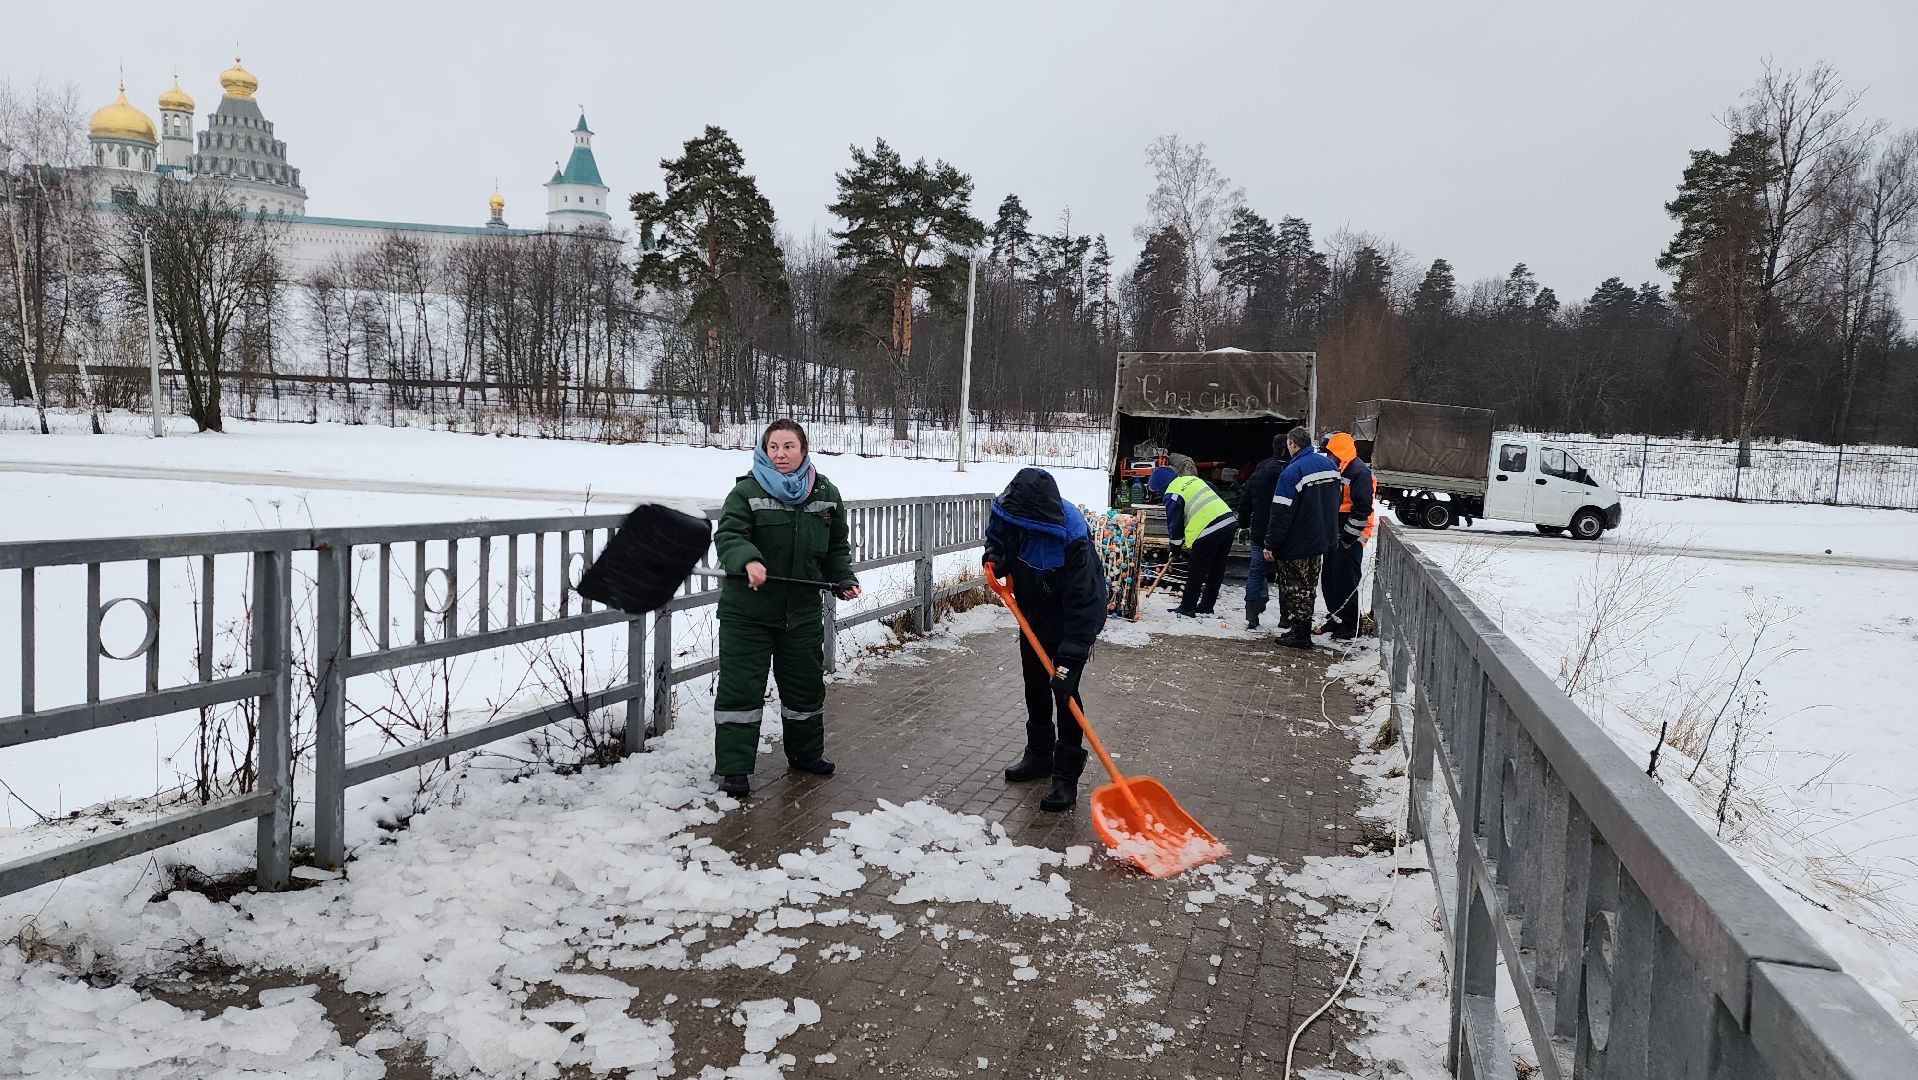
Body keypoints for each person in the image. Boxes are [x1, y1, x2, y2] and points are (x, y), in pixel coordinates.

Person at [711, 420, 861, 797]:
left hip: (802, 612)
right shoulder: (746, 491)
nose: (781, 454)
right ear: (764, 451)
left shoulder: (825, 493)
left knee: (805, 688)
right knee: (741, 691)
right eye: (774, 447)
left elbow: (836, 547)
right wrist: (748, 560)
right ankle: (734, 769)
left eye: (789, 446)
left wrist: (843, 578)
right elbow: (729, 535)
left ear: (803, 450)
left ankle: (806, 754)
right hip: (747, 614)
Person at [983, 468, 1108, 812]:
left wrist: (1072, 653)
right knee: (1034, 683)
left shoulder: (1073, 535)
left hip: (1070, 617)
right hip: (1032, 612)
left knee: (1065, 692)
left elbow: (1085, 599)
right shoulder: (1011, 512)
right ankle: (1039, 754)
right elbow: (998, 538)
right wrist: (995, 557)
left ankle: (1065, 777)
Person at [1261, 427, 1341, 649]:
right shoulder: (1330, 467)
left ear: (1292, 444)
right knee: (1309, 586)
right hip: (1321, 538)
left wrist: (1271, 543)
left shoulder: (1292, 472)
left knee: (1296, 588)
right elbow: (1335, 500)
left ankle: (1300, 633)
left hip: (1297, 542)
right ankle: (1301, 628)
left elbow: (1281, 512)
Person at [1147, 465, 1237, 619]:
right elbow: (1212, 488)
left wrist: (1175, 548)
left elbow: (1175, 524)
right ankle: (1206, 606)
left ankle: (1187, 607)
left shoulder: (1172, 494)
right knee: (1216, 568)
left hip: (1208, 529)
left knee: (1196, 570)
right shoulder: (1191, 480)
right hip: (1228, 522)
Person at [1318, 431, 1376, 641]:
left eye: (1329, 453)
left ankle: (1350, 625)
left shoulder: (1358, 472)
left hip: (1350, 536)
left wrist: (1348, 538)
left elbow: (1362, 508)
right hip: (1338, 532)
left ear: (1338, 452)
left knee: (1345, 580)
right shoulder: (1342, 468)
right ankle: (1337, 618)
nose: (1327, 457)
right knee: (1330, 579)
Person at [1234, 435, 1290, 630]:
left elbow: (1245, 501)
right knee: (1287, 574)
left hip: (1261, 532)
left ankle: (1251, 615)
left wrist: (1243, 523)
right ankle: (1286, 617)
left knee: (1257, 572)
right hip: (1287, 534)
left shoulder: (1260, 471)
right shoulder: (1294, 471)